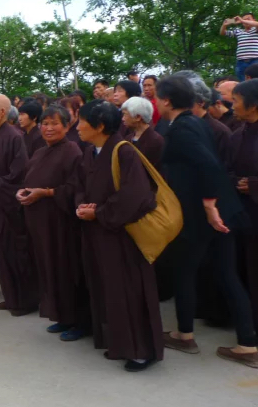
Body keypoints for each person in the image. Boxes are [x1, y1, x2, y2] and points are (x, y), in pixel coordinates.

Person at [155, 76, 257, 367]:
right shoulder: (193, 122)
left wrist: (210, 206)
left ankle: (184, 335)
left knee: (185, 271)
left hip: (204, 213)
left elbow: (208, 165)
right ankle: (247, 345)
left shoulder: (183, 128)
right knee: (226, 274)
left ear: (166, 100)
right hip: (218, 210)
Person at [74, 100, 163, 372]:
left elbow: (135, 196)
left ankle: (140, 351)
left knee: (128, 290)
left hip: (122, 236)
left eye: (81, 121)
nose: (77, 127)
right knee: (108, 290)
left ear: (100, 126)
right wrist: (82, 205)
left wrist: (99, 212)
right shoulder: (90, 152)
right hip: (98, 233)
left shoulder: (124, 152)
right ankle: (119, 343)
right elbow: (80, 185)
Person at [16, 106, 87, 340]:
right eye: (45, 123)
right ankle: (61, 316)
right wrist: (23, 192)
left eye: (54, 123)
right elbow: (28, 179)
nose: (48, 128)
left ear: (67, 126)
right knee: (48, 269)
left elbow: (75, 189)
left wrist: (45, 193)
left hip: (60, 224)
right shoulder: (39, 152)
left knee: (65, 269)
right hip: (39, 222)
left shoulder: (72, 151)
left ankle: (78, 321)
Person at [0, 94, 37, 315]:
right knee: (1, 251)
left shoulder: (14, 136)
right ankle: (11, 296)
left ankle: (24, 301)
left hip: (9, 206)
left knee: (15, 252)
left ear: (2, 112)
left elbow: (19, 173)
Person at [231, 79, 258, 345]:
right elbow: (227, 168)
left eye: (237, 100)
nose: (232, 105)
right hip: (243, 215)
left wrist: (254, 184)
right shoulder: (238, 133)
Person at [120, 96, 165, 170]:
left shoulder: (156, 141)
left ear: (138, 117)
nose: (123, 119)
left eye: (125, 114)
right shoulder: (128, 138)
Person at [221, 14, 258, 81]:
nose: (245, 21)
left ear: (254, 20)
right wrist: (225, 25)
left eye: (248, 19)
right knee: (242, 82)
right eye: (244, 19)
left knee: (256, 80)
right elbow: (223, 33)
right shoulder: (238, 31)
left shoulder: (255, 30)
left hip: (255, 60)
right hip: (241, 62)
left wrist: (242, 20)